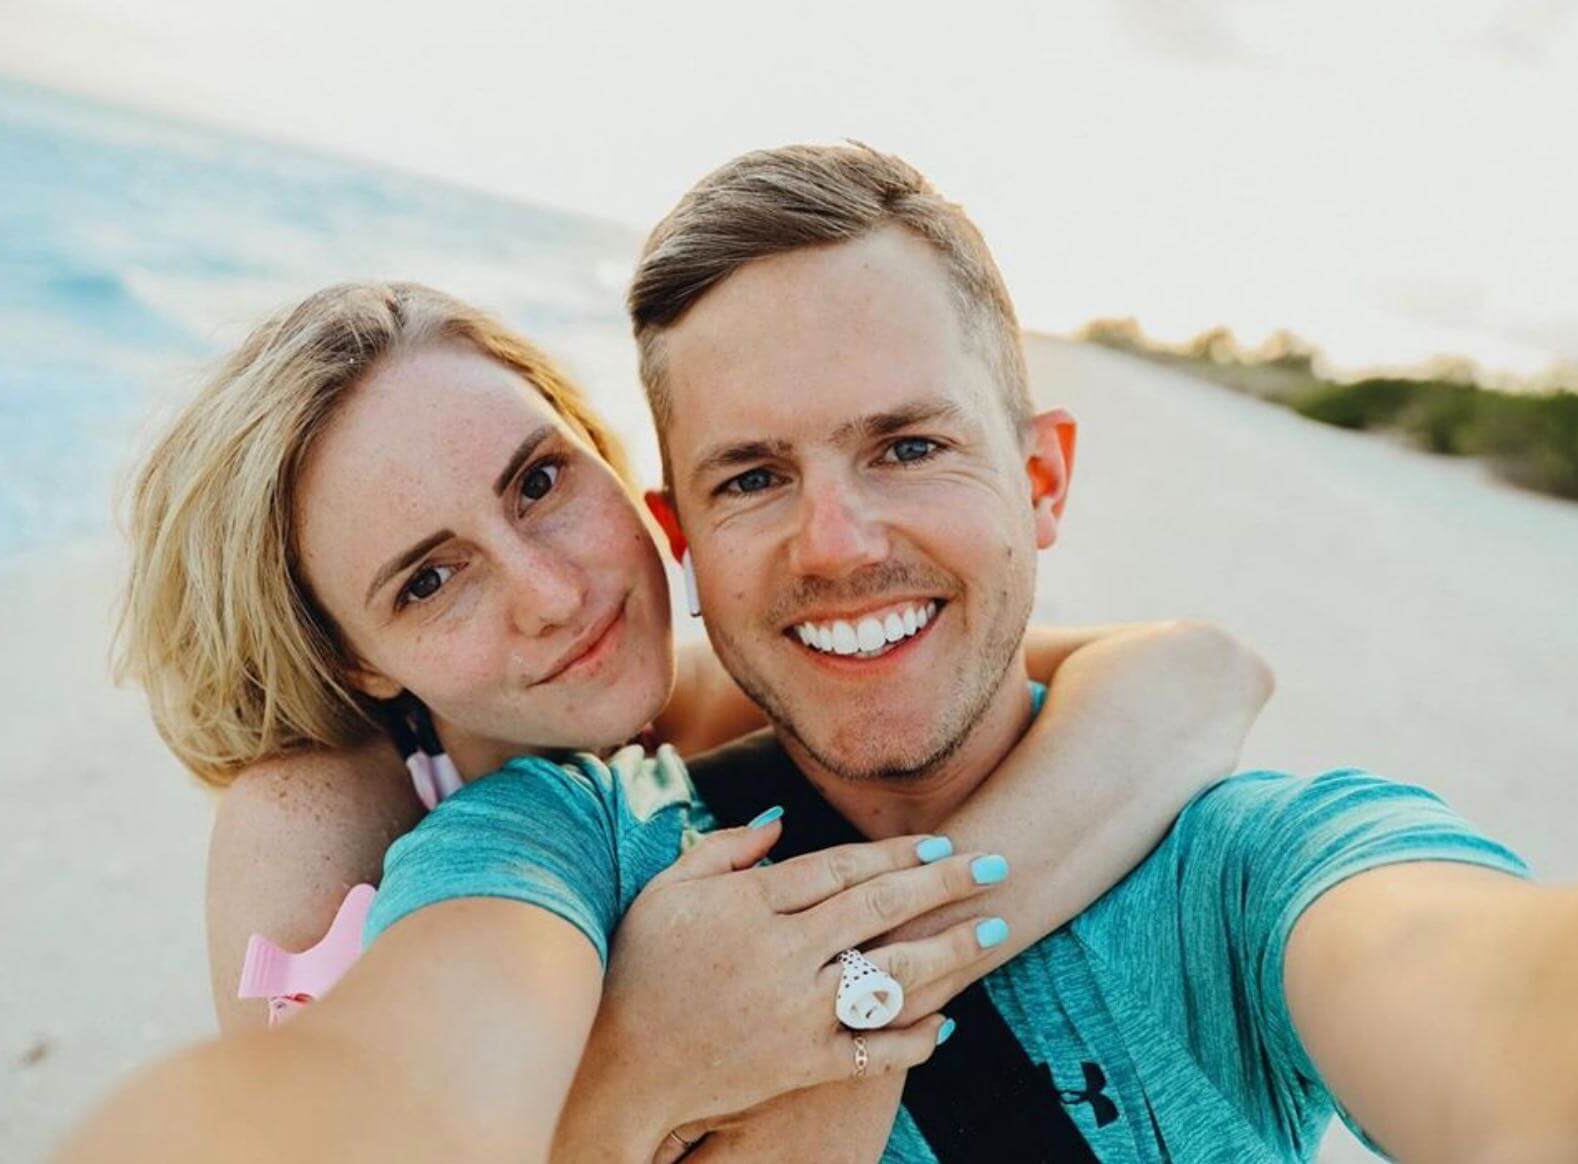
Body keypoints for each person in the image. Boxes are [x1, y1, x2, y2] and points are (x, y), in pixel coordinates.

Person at [366, 145, 1578, 1160]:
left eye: (905, 448)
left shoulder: (1241, 875)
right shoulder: (568, 845)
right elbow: (360, 1091)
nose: (835, 547)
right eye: (754, 476)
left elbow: (1480, 983)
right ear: (681, 540)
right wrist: (631, 1068)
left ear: (1041, 479)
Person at [73, 277, 1271, 1158]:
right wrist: (645, 1060)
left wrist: (867, 964)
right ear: (355, 656)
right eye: (429, 579)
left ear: (607, 462)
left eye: (539, 484)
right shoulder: (321, 806)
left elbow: (1202, 675)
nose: (552, 594)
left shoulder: (734, 687)